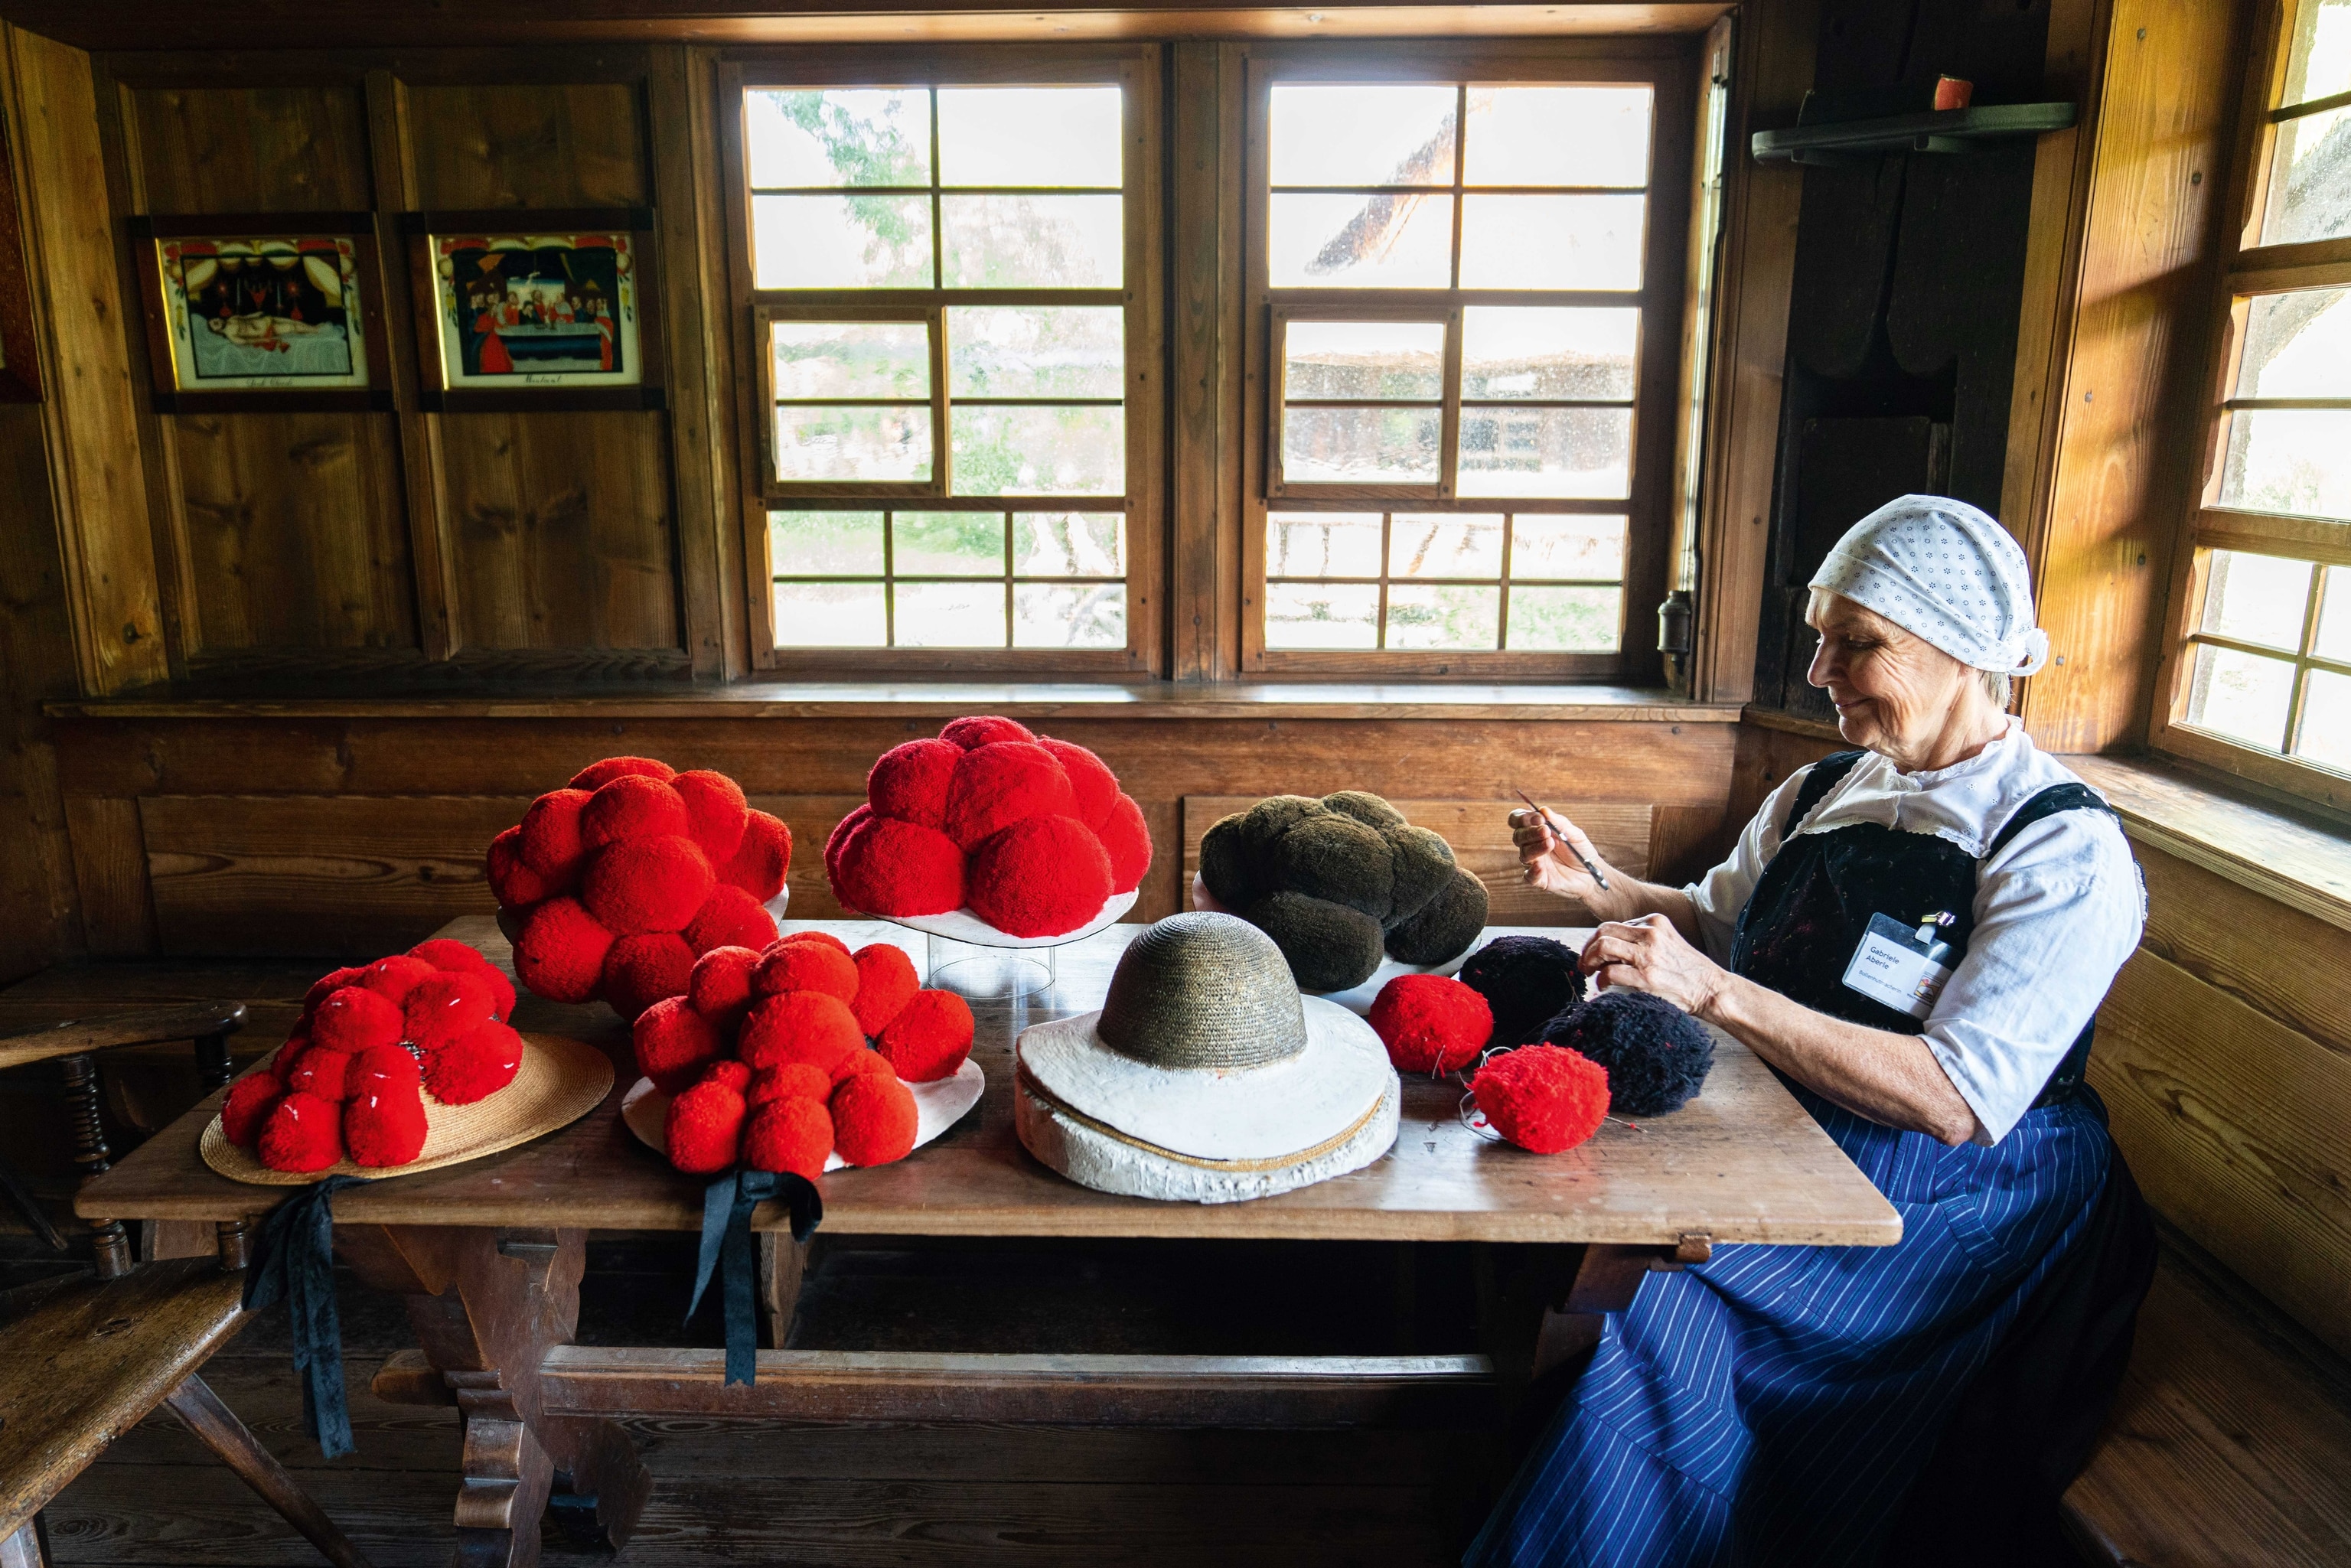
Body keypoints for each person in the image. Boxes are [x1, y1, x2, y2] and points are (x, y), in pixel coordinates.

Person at [1471, 495, 2155, 1567]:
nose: (1820, 669)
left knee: (1649, 1294)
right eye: (1821, 636)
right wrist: (1598, 884)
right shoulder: (1827, 785)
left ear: (1963, 654)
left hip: (1959, 1186)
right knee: (1560, 1214)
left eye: (1858, 642)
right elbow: (1718, 925)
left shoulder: (2060, 849)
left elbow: (1955, 1098)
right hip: (1797, 1108)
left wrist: (1716, 995)